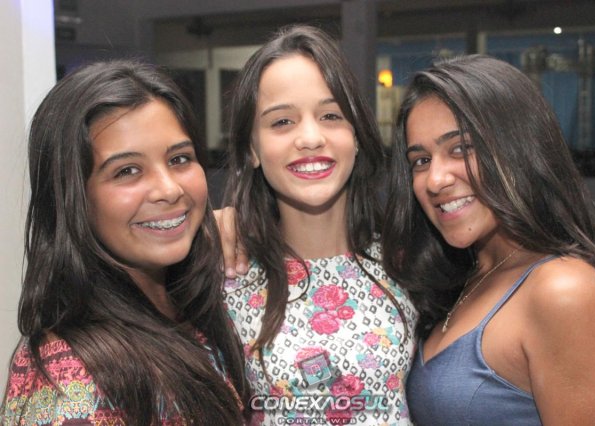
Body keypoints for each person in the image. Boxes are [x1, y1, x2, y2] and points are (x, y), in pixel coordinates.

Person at [382, 54, 595, 425]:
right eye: (420, 160)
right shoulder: (466, 276)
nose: (435, 180)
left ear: (518, 151)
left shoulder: (564, 290)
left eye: (460, 148)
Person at [1, 60, 250, 425]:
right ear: (72, 198)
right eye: (127, 171)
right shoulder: (71, 381)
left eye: (179, 159)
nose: (169, 189)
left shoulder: (185, 308)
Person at [222, 25, 417, 425]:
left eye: (330, 116)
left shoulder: (409, 263)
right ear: (252, 149)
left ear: (356, 136)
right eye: (282, 122)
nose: (310, 138)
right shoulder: (225, 275)